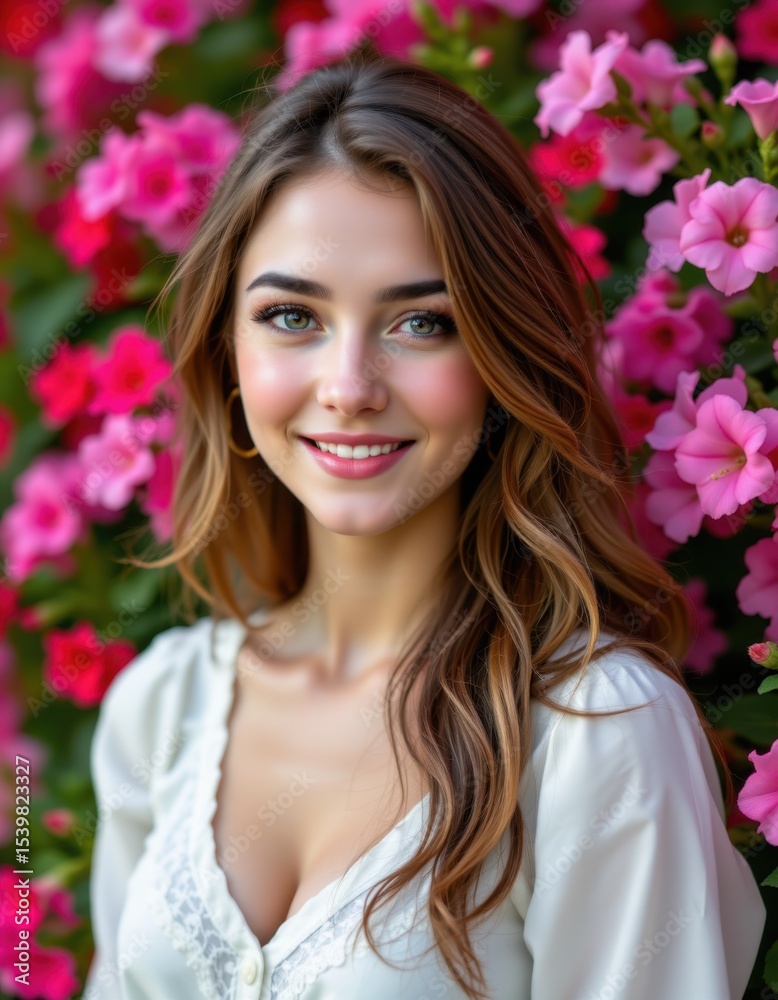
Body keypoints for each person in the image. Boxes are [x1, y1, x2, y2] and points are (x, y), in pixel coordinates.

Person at [83, 46, 766, 1000]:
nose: (350, 388)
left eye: (423, 323)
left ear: (503, 356)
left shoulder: (594, 733)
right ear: (225, 351)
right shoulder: (160, 708)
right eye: (291, 316)